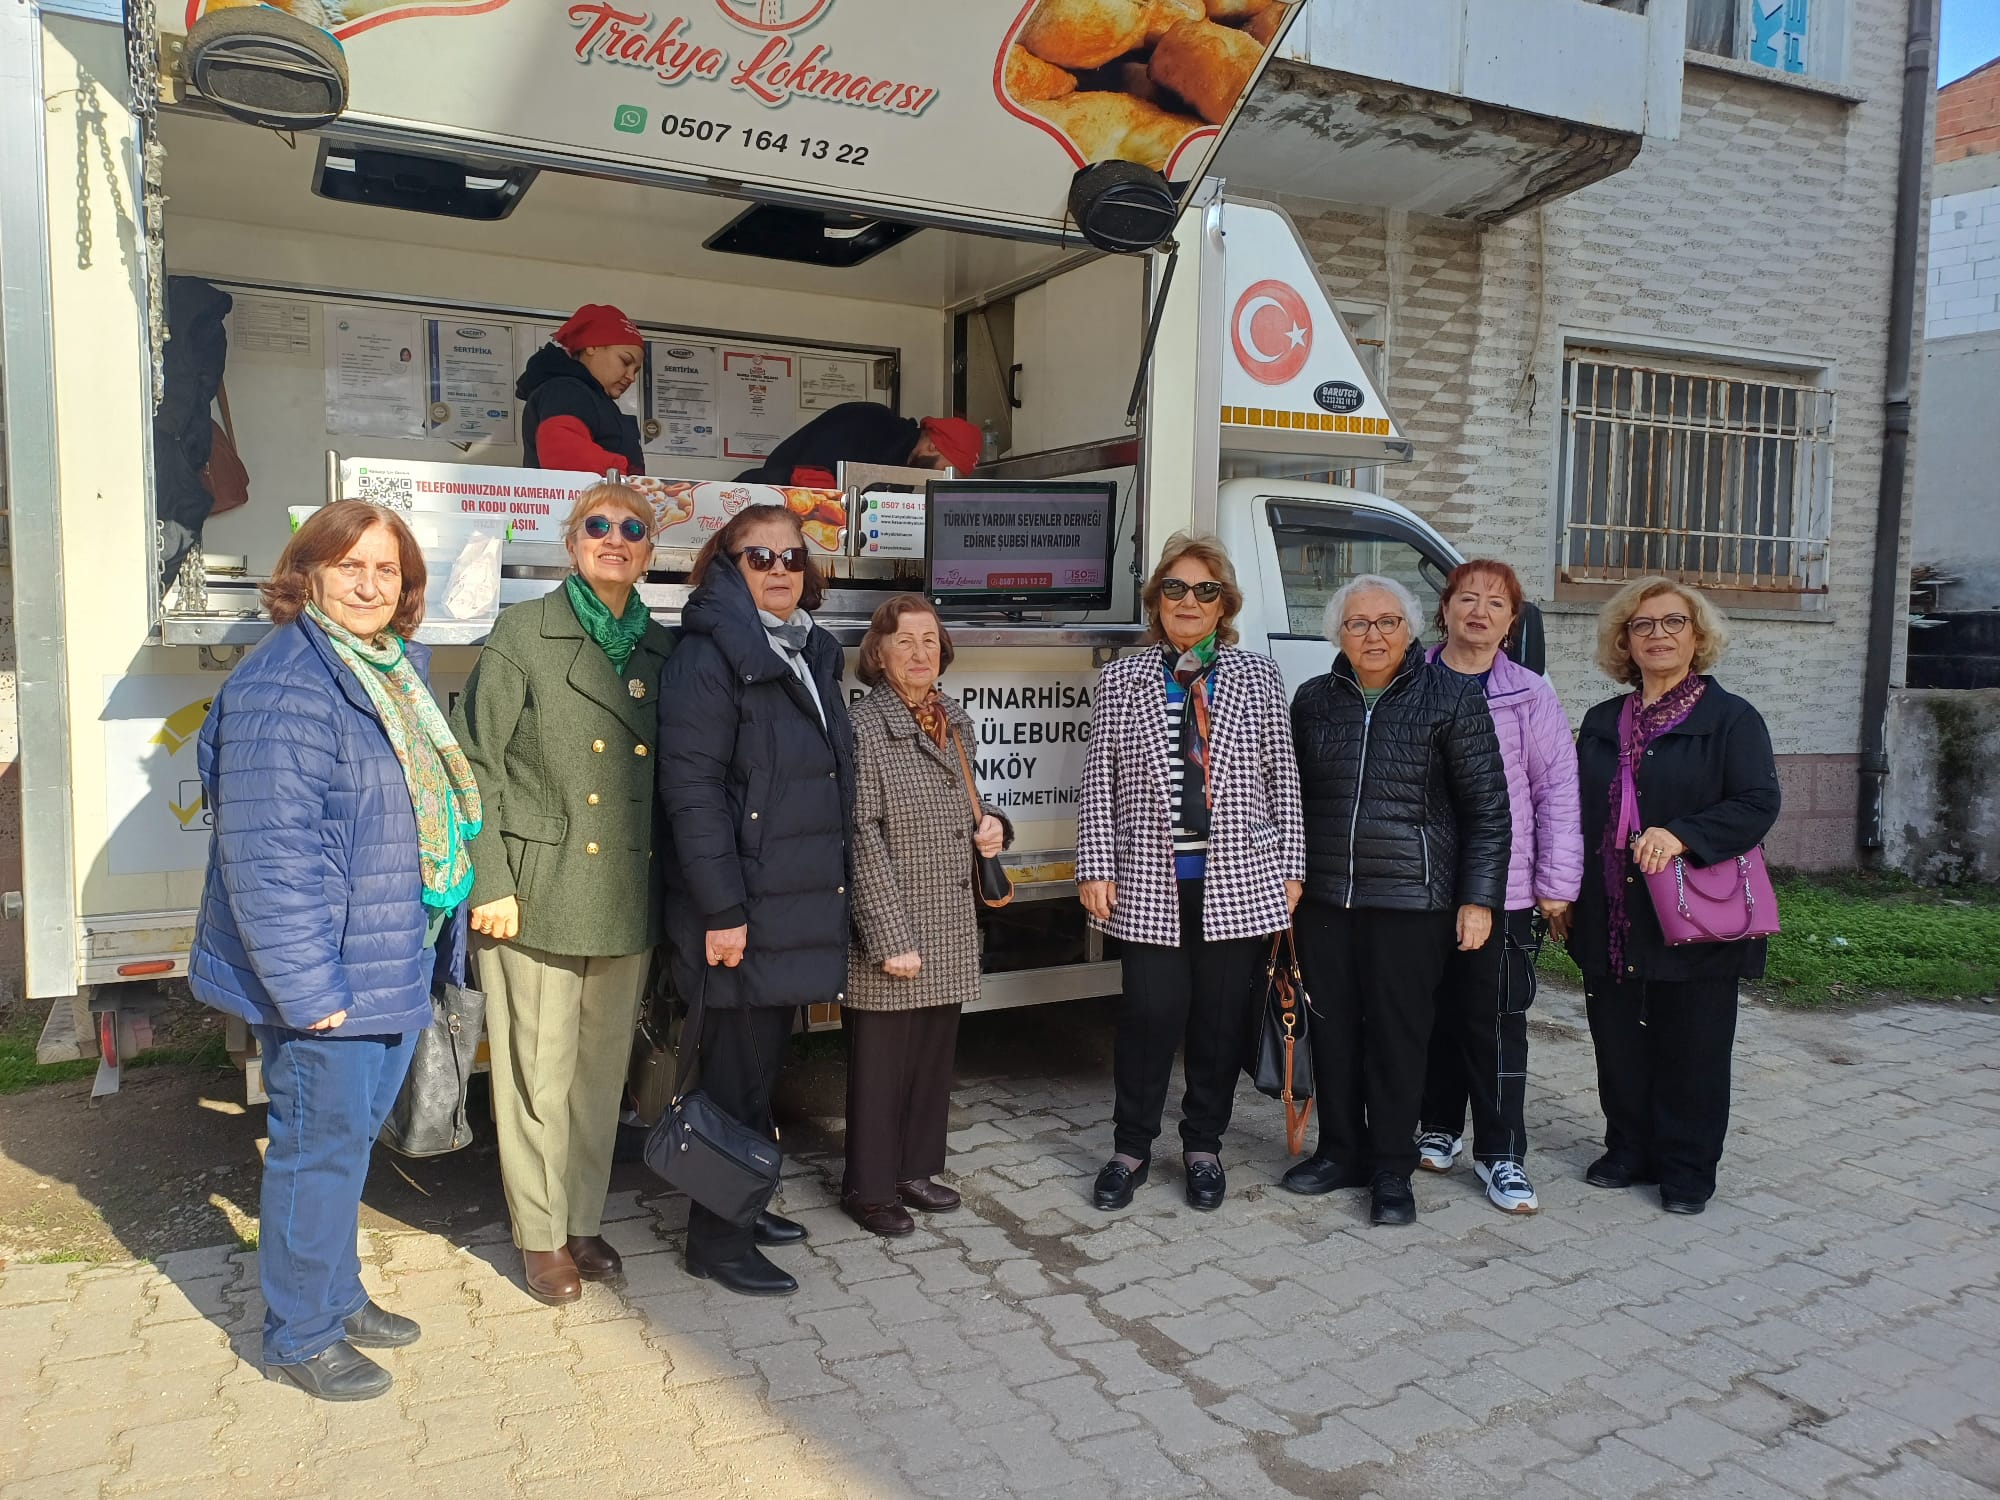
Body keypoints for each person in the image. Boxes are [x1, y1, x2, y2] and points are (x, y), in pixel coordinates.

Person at [189, 501, 480, 1401]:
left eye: (386, 569)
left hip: (391, 954)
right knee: (315, 1152)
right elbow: (268, 859)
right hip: (334, 977)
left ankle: (337, 1295)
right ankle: (299, 1334)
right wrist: (309, 989)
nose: (368, 584)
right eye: (349, 565)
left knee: (346, 1146)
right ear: (306, 574)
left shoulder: (388, 668)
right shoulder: (288, 686)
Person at [451, 482, 674, 1305]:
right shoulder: (525, 632)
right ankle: (540, 1236)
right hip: (535, 893)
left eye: (632, 528)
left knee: (599, 1075)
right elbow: (475, 765)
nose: (615, 538)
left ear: (650, 551)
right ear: (572, 541)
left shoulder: (662, 648)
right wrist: (492, 880)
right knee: (534, 1078)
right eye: (598, 525)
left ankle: (581, 1219)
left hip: (625, 891)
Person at [656, 503, 854, 1296]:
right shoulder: (709, 656)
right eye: (759, 557)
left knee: (760, 1068)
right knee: (734, 1076)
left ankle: (743, 1200)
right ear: (726, 567)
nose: (779, 570)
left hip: (788, 901)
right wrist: (723, 911)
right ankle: (717, 1242)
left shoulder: (806, 651)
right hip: (742, 909)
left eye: (792, 557)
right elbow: (693, 794)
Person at [1076, 532, 1305, 1214]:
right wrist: (1095, 866)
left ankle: (1204, 1146)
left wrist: (1290, 868)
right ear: (1157, 601)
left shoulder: (1257, 676)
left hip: (1237, 877)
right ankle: (1131, 1149)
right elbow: (1098, 783)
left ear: (1223, 604)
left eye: (1206, 590)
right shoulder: (1121, 680)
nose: (1189, 601)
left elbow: (1282, 779)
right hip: (1148, 878)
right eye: (1175, 588)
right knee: (1149, 1015)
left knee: (1219, 1021)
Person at [1284, 574, 1509, 1225]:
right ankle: (1339, 1151)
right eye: (1358, 623)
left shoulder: (1452, 698)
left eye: (1387, 622)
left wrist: (1478, 899)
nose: (1373, 635)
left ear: (1410, 630)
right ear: (1338, 634)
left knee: (1397, 1038)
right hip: (1326, 899)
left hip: (1413, 901)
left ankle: (1390, 1167)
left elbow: (1488, 813)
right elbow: (1291, 801)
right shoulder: (1313, 701)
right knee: (1332, 1033)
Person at [1572, 576, 1780, 1215]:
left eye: (1673, 623)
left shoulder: (1731, 719)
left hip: (1695, 913)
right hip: (1614, 911)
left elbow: (1758, 802)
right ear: (1625, 641)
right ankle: (1629, 1148)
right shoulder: (1602, 722)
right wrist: (1561, 891)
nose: (1657, 635)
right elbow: (1575, 809)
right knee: (1618, 1039)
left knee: (1694, 1047)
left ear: (1697, 636)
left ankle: (1688, 1168)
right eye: (1642, 625)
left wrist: (1683, 834)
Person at [1413, 560, 1583, 1215]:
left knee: (1494, 1021)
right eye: (1467, 599)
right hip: (1423, 883)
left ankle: (1502, 1152)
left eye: (1495, 603)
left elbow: (1556, 791)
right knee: (1432, 1013)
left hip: (1504, 889)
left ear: (1512, 622)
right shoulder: (1412, 680)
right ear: (1445, 609)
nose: (1479, 612)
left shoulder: (1529, 694)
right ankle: (1438, 1124)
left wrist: (1556, 884)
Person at [842, 596, 1010, 1236]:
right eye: (905, 641)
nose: (920, 653)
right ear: (878, 653)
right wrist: (890, 937)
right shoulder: (865, 728)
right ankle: (868, 1188)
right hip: (896, 924)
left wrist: (994, 827)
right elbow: (859, 836)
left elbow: (968, 806)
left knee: (933, 1057)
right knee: (880, 1067)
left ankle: (915, 1170)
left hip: (948, 918)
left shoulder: (951, 720)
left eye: (930, 641)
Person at [517, 303, 646, 476]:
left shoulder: (590, 396)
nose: (631, 377)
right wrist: (625, 474)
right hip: (587, 494)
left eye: (635, 370)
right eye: (625, 361)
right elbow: (563, 454)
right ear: (592, 347)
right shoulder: (566, 390)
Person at [735, 401, 981, 487]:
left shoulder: (908, 469)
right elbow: (799, 474)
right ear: (934, 446)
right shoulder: (872, 422)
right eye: (947, 471)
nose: (944, 481)